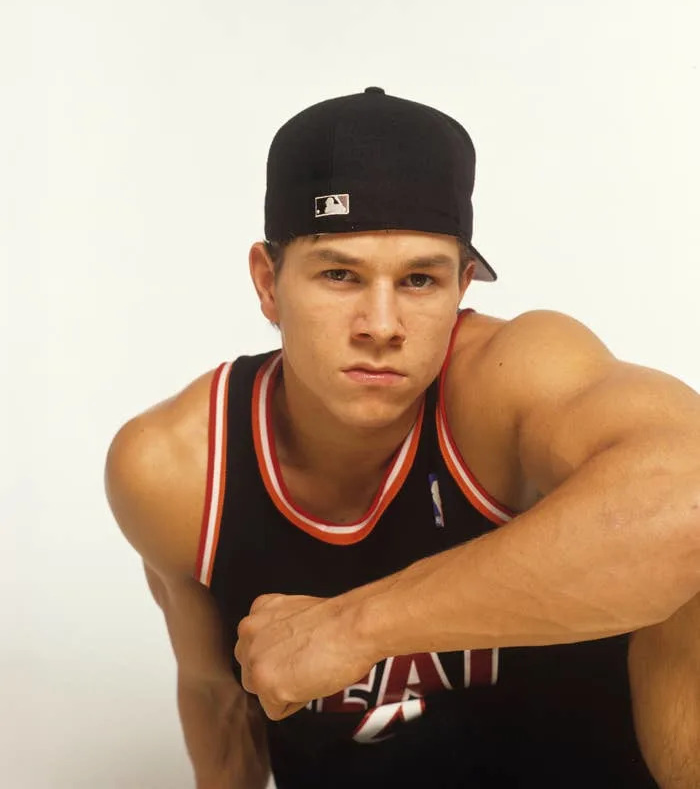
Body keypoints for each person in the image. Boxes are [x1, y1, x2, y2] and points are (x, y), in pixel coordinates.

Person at [105, 87, 700, 789]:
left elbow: (687, 499)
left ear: (462, 286)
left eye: (419, 279)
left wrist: (354, 627)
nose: (382, 325)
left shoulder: (510, 378)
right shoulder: (179, 468)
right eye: (339, 275)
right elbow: (217, 698)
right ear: (268, 284)